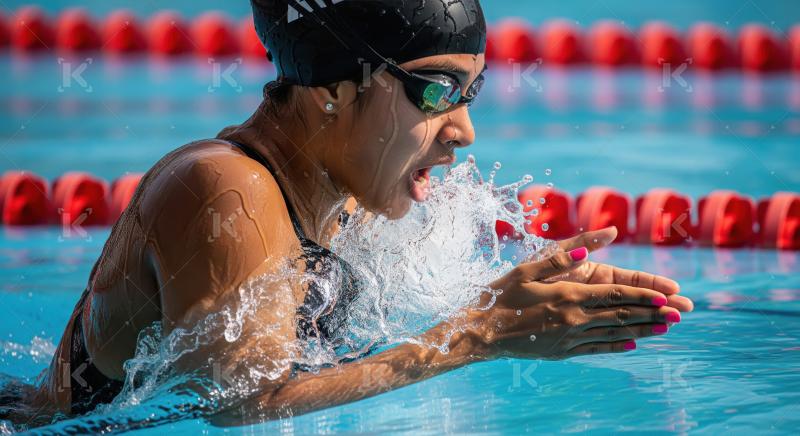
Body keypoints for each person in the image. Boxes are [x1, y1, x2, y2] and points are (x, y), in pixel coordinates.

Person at [8, 0, 693, 427]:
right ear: (334, 89)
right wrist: (479, 337)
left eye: (472, 92)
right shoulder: (227, 193)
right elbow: (239, 404)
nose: (464, 131)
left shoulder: (347, 202)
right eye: (437, 92)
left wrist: (518, 303)